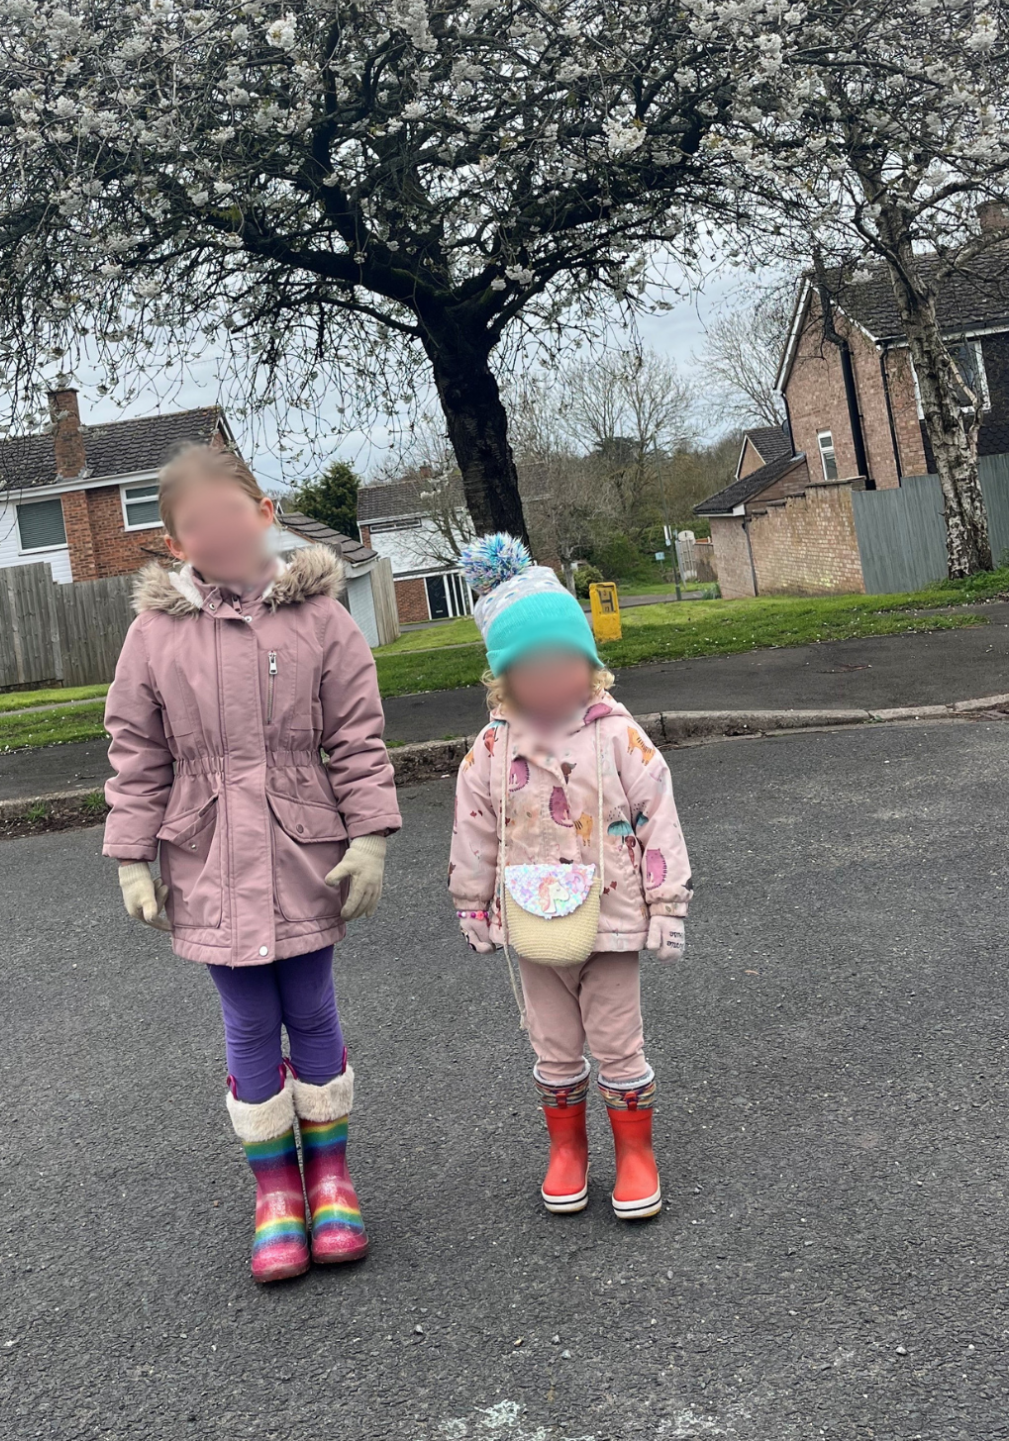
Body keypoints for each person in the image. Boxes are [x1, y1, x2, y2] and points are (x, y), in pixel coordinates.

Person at [103, 443, 400, 1282]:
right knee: (244, 1020)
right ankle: (275, 1192)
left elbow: (356, 736)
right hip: (207, 863)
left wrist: (369, 838)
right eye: (195, 525)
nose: (218, 534)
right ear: (174, 543)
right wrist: (132, 857)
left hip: (305, 852)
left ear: (266, 514)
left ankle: (331, 1180)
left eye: (231, 515)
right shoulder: (154, 634)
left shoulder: (321, 620)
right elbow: (136, 750)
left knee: (310, 1008)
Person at [449, 535, 691, 1221]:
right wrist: (472, 903)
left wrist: (667, 903)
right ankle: (567, 1150)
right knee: (552, 1046)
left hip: (611, 923)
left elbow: (657, 814)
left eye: (566, 661)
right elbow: (473, 827)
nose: (553, 678)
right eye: (533, 667)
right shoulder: (492, 749)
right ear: (504, 677)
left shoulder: (617, 736)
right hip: (534, 922)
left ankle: (635, 1153)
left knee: (618, 1041)